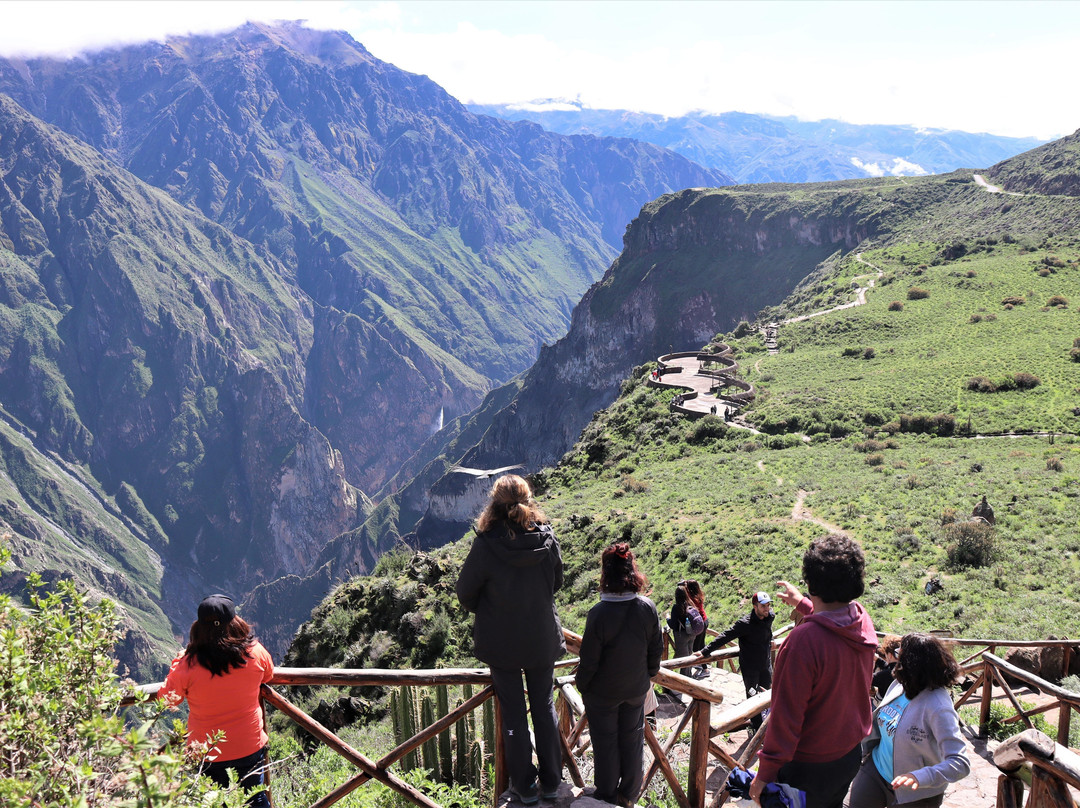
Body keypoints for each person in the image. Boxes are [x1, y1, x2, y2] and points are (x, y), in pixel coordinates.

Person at [455, 475, 565, 805]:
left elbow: (465, 593)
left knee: (514, 714)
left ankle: (524, 787)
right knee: (544, 707)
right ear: (528, 500)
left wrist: (490, 609)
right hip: (541, 638)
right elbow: (557, 582)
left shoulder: (487, 544)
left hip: (501, 643)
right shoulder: (546, 539)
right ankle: (551, 782)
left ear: (494, 504)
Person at [749, 534, 878, 808]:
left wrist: (765, 772)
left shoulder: (803, 642)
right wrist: (804, 604)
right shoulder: (861, 620)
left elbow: (785, 716)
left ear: (811, 583)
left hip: (808, 765)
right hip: (849, 754)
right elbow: (833, 625)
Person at [158, 594, 275, 807]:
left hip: (207, 751)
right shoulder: (255, 653)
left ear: (199, 627)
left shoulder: (188, 665)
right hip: (249, 744)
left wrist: (177, 661)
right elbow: (268, 676)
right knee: (255, 798)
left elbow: (167, 700)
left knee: (216, 802)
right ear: (236, 622)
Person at [576, 543, 662, 807]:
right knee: (632, 739)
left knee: (606, 743)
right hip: (636, 689)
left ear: (606, 573)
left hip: (603, 693)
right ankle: (629, 793)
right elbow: (655, 651)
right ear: (632, 571)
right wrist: (646, 676)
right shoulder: (646, 607)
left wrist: (582, 685)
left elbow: (589, 661)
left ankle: (606, 794)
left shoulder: (599, 614)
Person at [849, 633, 970, 807]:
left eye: (900, 654)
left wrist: (919, 776)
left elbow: (960, 763)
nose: (896, 659)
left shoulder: (938, 706)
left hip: (917, 791)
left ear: (913, 662)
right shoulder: (899, 685)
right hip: (876, 770)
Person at [696, 591, 774, 729]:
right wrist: (705, 651)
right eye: (763, 606)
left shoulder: (769, 617)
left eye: (768, 605)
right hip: (750, 668)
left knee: (767, 695)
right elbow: (726, 636)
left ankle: (768, 727)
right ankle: (756, 728)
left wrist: (771, 639)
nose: (767, 609)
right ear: (755, 606)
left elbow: (767, 632)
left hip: (765, 665)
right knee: (753, 698)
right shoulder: (745, 624)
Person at [666, 583, 704, 677]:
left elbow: (673, 625)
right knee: (690, 655)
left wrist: (667, 618)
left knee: (684, 659)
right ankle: (688, 675)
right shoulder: (691, 604)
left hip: (681, 635)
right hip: (692, 633)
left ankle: (685, 679)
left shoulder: (676, 607)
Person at [684, 580, 709, 678]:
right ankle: (701, 665)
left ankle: (705, 668)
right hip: (704, 620)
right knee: (701, 645)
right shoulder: (698, 595)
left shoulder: (691, 598)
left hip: (699, 623)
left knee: (696, 648)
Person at [872, 635, 902, 700]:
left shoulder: (885, 675)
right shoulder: (905, 668)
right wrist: (877, 659)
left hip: (881, 703)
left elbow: (866, 680)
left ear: (889, 655)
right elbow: (890, 667)